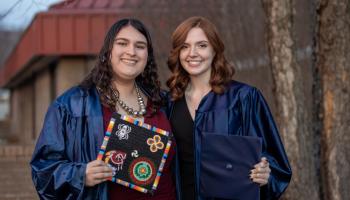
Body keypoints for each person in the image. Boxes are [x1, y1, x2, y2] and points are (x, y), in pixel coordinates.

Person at [30, 18, 176, 200]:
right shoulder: (72, 105)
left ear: (147, 55)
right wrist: (80, 174)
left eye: (140, 46)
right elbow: (43, 169)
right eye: (122, 43)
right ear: (108, 51)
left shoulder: (164, 103)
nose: (131, 51)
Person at [166, 16, 292, 200]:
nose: (192, 53)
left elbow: (275, 163)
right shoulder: (169, 102)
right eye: (185, 46)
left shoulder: (244, 98)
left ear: (215, 50)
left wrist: (266, 174)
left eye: (202, 45)